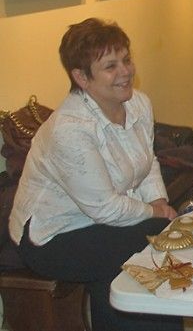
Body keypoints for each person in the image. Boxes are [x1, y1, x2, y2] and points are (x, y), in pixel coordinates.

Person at [9, 18, 181, 331]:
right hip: (53, 235)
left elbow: (147, 161)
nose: (126, 71)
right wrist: (156, 213)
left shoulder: (139, 104)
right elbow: (104, 209)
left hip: (101, 216)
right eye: (110, 66)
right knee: (152, 243)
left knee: (158, 241)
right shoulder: (70, 129)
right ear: (81, 77)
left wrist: (158, 200)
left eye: (126, 60)